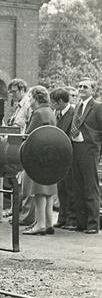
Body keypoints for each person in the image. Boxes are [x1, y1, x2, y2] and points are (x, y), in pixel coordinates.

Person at [22, 86, 58, 235]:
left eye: (30, 97)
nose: (29, 100)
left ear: (37, 98)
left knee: (38, 191)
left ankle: (40, 225)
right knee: (48, 191)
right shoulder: (49, 111)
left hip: (38, 156)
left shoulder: (38, 113)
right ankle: (49, 223)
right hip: (51, 156)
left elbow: (29, 135)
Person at [69, 78, 102, 234]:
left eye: (85, 87)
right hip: (75, 148)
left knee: (91, 187)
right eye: (80, 86)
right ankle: (81, 223)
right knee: (78, 187)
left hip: (89, 150)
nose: (81, 89)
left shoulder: (97, 107)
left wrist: (97, 149)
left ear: (93, 91)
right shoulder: (77, 107)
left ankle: (92, 224)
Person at [6, 79, 34, 225]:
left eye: (14, 92)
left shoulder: (28, 105)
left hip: (24, 146)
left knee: (23, 182)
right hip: (17, 147)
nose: (12, 95)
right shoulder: (18, 106)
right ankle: (17, 211)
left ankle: (25, 214)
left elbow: (29, 125)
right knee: (18, 180)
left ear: (23, 90)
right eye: (10, 93)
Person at [50, 87, 77, 229]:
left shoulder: (73, 113)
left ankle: (72, 219)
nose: (52, 105)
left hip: (70, 155)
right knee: (61, 188)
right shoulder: (57, 114)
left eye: (54, 102)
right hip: (61, 156)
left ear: (60, 101)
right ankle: (63, 217)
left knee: (70, 188)